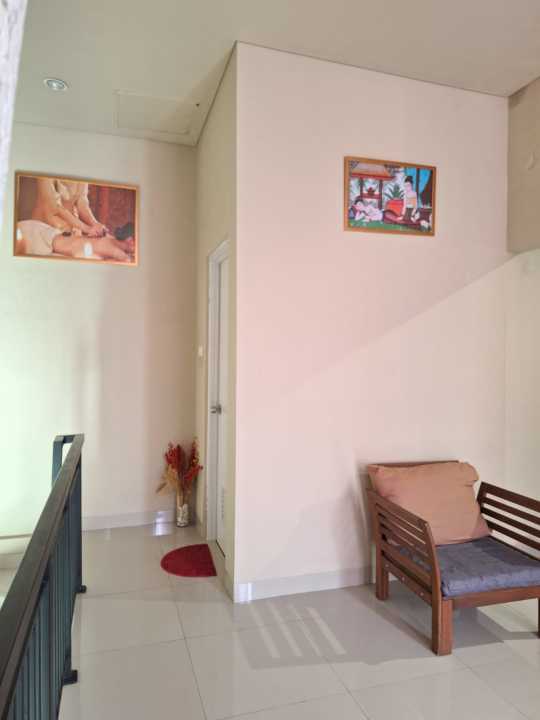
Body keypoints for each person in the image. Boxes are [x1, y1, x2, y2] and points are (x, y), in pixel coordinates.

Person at [15, 219, 134, 261]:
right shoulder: (111, 247)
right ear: (130, 240)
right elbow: (126, 260)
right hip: (36, 237)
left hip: (45, 234)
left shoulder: (106, 236)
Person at [31, 178, 108, 237]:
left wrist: (95, 224)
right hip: (46, 227)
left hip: (73, 227)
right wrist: (87, 228)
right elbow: (56, 207)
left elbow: (82, 203)